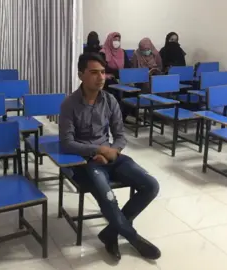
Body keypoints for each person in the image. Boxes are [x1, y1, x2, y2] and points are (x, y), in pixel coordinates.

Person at [59, 53, 161, 261]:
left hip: (111, 157)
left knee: (151, 185)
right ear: (81, 75)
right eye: (94, 72)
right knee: (108, 196)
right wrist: (98, 150)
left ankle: (110, 233)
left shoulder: (110, 100)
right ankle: (133, 238)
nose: (101, 77)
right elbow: (67, 143)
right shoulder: (69, 104)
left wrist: (111, 151)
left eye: (103, 72)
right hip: (85, 163)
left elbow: (121, 136)